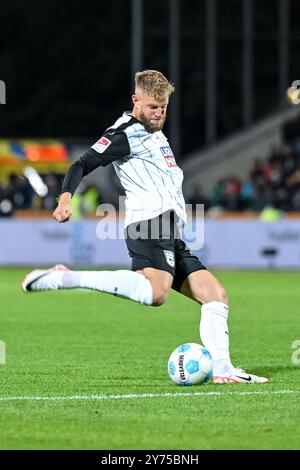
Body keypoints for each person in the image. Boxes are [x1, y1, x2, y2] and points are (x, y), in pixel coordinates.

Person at [22, 70, 268, 384]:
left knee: (215, 295)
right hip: (149, 222)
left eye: (163, 107)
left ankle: (222, 370)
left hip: (169, 228)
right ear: (136, 101)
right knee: (156, 293)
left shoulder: (156, 134)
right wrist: (65, 198)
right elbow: (81, 163)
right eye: (152, 107)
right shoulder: (123, 132)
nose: (158, 113)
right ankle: (66, 278)